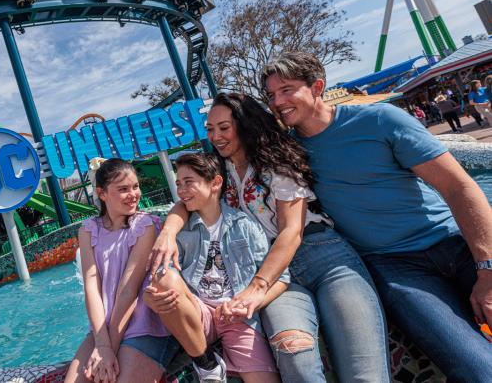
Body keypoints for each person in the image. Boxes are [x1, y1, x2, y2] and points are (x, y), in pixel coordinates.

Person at [261, 51, 492, 381]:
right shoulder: (288, 155)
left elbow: (459, 188)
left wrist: (487, 269)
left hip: (455, 242)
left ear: (317, 87)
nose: (277, 101)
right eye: (270, 95)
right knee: (478, 369)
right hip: (396, 269)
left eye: (286, 90)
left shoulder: (380, 120)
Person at [152, 92, 389, 382]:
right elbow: (186, 198)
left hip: (321, 256)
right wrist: (168, 231)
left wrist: (256, 287)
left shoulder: (276, 161)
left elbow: (292, 231)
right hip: (274, 275)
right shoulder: (219, 172)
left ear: (245, 123)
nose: (215, 136)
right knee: (294, 354)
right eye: (211, 129)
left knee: (364, 369)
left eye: (224, 128)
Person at [145, 153, 287, 383]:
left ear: (216, 183)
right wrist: (149, 297)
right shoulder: (179, 231)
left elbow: (282, 277)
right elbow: (160, 276)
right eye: (179, 183)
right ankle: (207, 363)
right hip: (197, 313)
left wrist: (249, 304)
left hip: (237, 317)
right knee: (164, 278)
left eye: (189, 182)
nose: (181, 190)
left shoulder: (244, 225)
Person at [66, 158, 172, 383]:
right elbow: (91, 288)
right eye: (123, 189)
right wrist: (101, 342)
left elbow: (128, 290)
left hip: (143, 326)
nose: (134, 194)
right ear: (102, 194)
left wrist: (107, 350)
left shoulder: (145, 226)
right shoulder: (88, 231)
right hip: (104, 328)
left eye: (135, 187)